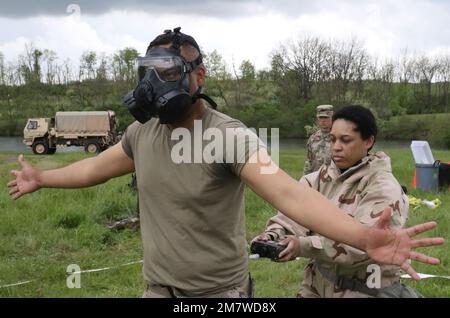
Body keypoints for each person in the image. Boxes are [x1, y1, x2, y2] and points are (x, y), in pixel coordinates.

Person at [7, 28, 443, 298]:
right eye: (149, 73)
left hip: (220, 293)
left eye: (170, 72)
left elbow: (291, 194)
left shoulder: (228, 136)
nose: (156, 84)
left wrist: (366, 237)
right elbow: (93, 168)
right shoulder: (143, 132)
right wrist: (42, 178)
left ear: (199, 76)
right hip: (157, 290)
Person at [254, 105, 421, 297]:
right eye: (333, 139)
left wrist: (302, 246)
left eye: (345, 140)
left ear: (368, 141)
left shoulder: (383, 187)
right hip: (317, 283)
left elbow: (363, 243)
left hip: (364, 290)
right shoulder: (318, 178)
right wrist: (272, 235)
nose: (336, 147)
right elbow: (294, 214)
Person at [303, 105, 333, 175]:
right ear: (317, 119)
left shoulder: (337, 137)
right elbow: (309, 161)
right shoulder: (313, 138)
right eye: (321, 118)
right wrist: (306, 178)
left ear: (332, 118)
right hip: (315, 177)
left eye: (326, 117)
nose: (323, 120)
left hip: (332, 178)